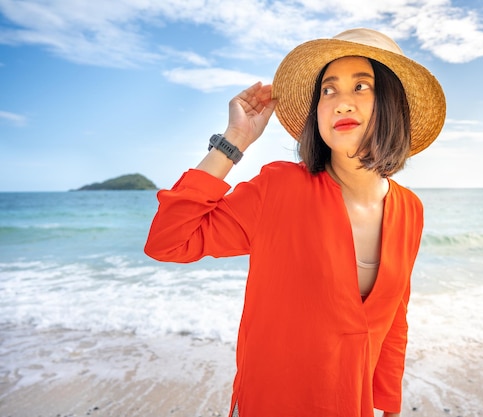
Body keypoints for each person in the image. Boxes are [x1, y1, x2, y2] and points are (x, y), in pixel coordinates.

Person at [145, 28, 445, 417]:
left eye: (361, 86)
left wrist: (388, 407)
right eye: (329, 90)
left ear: (391, 103)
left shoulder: (410, 209)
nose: (340, 103)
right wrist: (234, 139)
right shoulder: (279, 188)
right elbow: (169, 241)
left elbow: (393, 321)